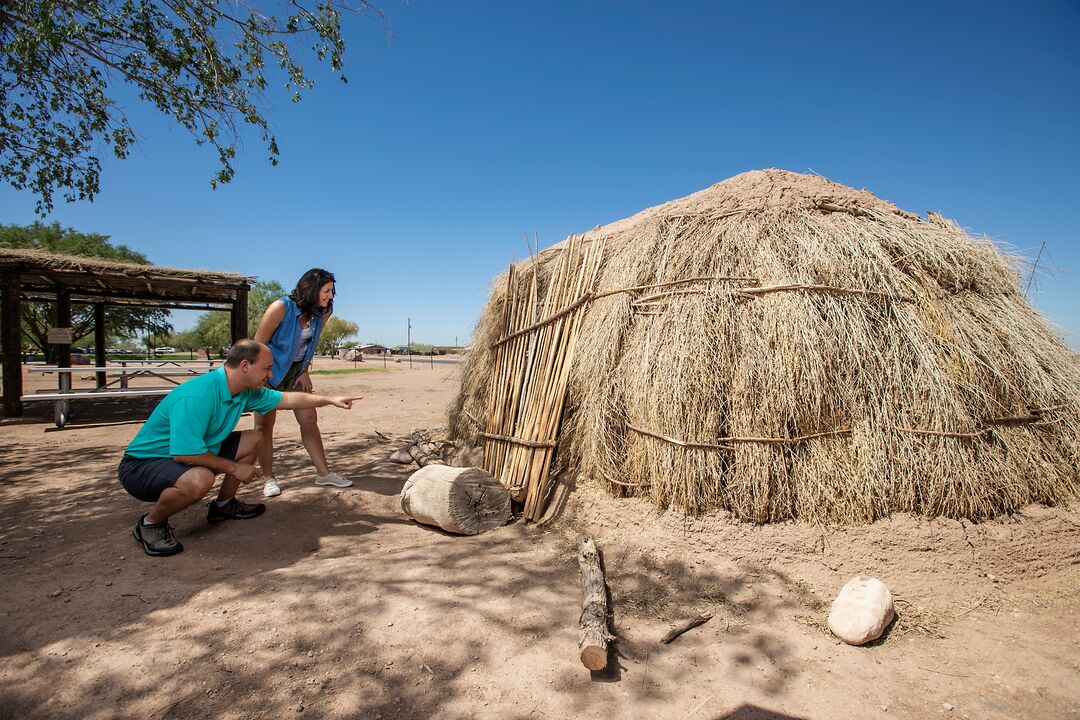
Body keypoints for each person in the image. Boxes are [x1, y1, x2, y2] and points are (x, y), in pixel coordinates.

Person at [118, 340, 361, 557]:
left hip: (191, 453)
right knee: (200, 480)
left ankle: (223, 506)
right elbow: (186, 454)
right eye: (266, 368)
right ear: (245, 366)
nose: (271, 374)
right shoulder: (198, 396)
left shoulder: (246, 391)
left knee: (255, 438)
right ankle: (151, 524)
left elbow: (289, 399)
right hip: (143, 465)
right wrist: (234, 468)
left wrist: (330, 400)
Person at [253, 268, 351, 497]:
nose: (330, 296)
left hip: (296, 371)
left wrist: (305, 370)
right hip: (269, 372)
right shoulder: (281, 307)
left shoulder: (324, 312)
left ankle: (323, 474)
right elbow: (258, 345)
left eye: (332, 291)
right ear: (312, 288)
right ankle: (269, 479)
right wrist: (261, 378)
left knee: (309, 418)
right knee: (264, 426)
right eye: (326, 291)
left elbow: (312, 344)